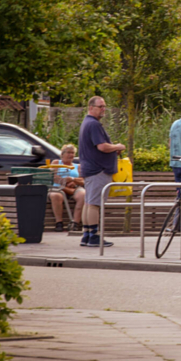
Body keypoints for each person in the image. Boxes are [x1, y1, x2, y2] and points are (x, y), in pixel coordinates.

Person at [77, 96, 124, 248]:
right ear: (91, 107)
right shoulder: (93, 124)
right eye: (100, 106)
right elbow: (102, 147)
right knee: (94, 204)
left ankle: (86, 235)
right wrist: (117, 147)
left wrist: (111, 151)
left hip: (91, 168)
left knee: (88, 202)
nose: (103, 109)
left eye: (104, 106)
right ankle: (94, 236)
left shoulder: (87, 123)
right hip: (98, 170)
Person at [49, 144, 85, 232]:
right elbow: (53, 177)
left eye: (72, 153)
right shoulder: (56, 163)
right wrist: (65, 183)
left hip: (74, 187)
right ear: (62, 154)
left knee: (83, 195)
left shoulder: (78, 166)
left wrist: (74, 180)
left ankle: (75, 223)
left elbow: (83, 180)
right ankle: (59, 223)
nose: (71, 155)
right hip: (58, 188)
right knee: (55, 196)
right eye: (68, 152)